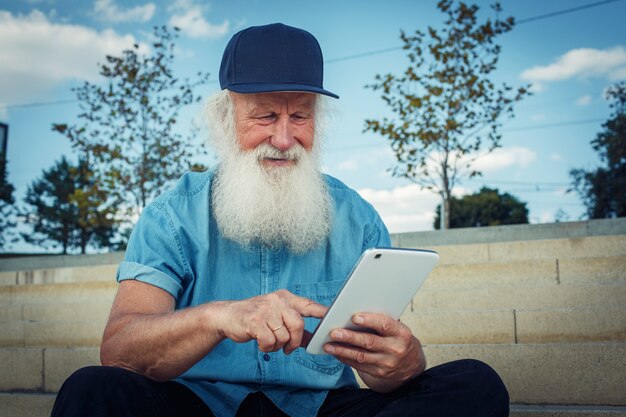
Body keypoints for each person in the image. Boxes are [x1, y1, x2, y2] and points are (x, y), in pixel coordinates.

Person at [51, 23, 509, 417]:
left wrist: (403, 365)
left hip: (320, 408)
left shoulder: (359, 219)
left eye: (301, 116)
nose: (285, 138)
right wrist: (219, 316)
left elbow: (382, 377)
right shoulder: (173, 214)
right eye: (265, 115)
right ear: (225, 120)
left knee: (475, 385)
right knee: (93, 389)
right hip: (197, 405)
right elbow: (120, 348)